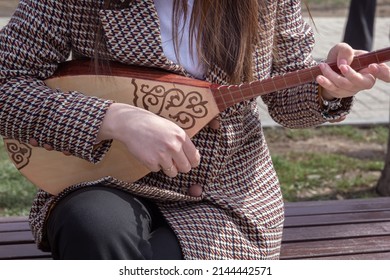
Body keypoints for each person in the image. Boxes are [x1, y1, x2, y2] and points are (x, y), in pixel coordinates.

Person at [0, 0, 389, 260]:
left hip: (226, 195)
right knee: (91, 225)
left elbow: (288, 104)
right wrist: (115, 119)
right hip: (103, 176)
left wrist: (330, 91)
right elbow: (7, 82)